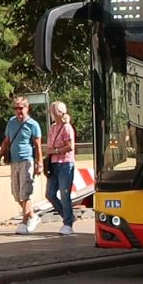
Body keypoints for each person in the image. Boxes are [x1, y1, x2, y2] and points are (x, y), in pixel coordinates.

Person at [0, 96, 43, 232]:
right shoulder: (11, 122)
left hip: (27, 160)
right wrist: (0, 155)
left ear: (27, 108)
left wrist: (39, 163)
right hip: (14, 161)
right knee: (16, 193)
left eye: (20, 108)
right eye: (15, 108)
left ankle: (24, 222)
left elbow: (38, 145)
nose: (18, 111)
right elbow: (7, 140)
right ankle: (33, 216)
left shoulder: (33, 124)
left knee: (25, 192)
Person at [44, 100, 78, 235]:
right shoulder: (53, 127)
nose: (51, 114)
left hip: (65, 163)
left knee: (65, 194)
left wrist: (55, 151)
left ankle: (68, 223)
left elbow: (70, 146)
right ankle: (68, 216)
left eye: (52, 111)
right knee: (50, 194)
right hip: (54, 163)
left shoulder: (67, 127)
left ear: (57, 113)